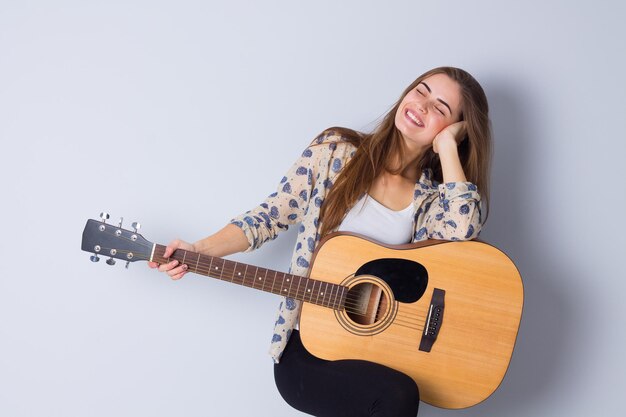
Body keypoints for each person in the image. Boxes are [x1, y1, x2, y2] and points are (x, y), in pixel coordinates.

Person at [148, 66, 492, 417]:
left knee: (398, 392)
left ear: (454, 130)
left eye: (441, 108)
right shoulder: (335, 153)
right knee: (398, 396)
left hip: (375, 352)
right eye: (421, 90)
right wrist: (198, 250)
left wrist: (448, 149)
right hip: (308, 348)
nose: (422, 105)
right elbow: (268, 217)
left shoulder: (432, 200)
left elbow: (463, 231)